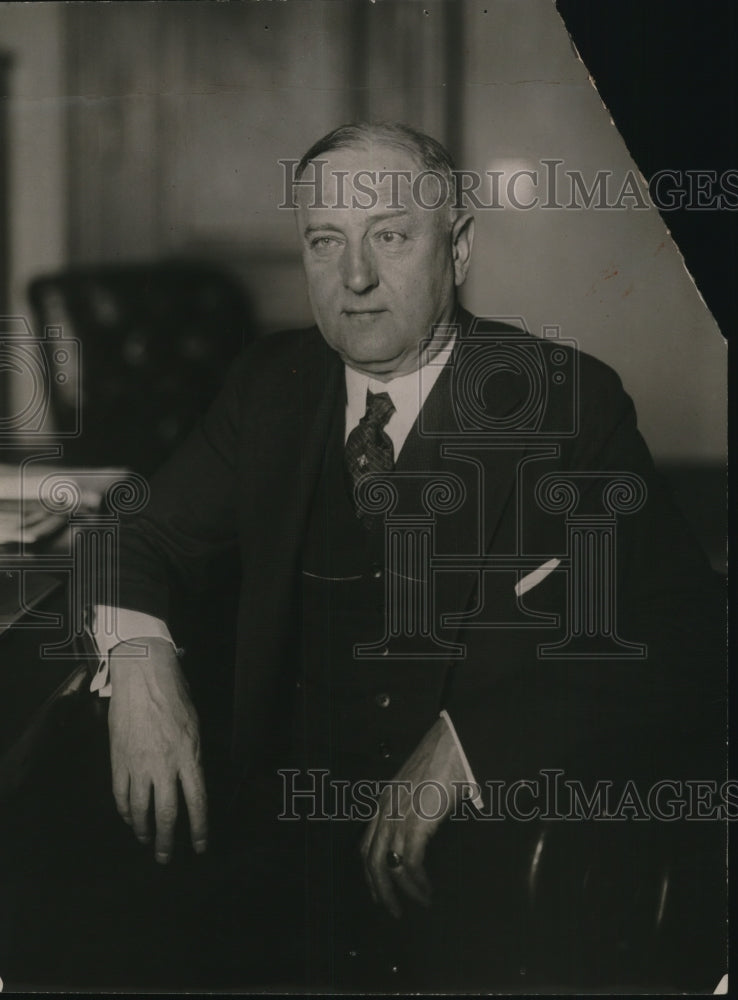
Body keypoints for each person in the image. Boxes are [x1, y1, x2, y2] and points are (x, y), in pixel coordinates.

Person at [89, 122, 725, 991]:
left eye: (389, 236)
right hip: (279, 875)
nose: (354, 279)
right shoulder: (270, 385)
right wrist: (140, 656)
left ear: (458, 249)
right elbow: (139, 529)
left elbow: (686, 636)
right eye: (326, 242)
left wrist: (469, 745)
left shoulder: (566, 401)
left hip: (483, 875)